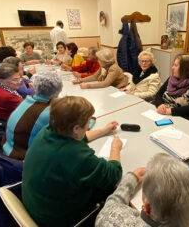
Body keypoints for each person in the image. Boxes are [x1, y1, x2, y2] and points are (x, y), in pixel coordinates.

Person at [22, 96, 123, 226]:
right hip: (56, 219)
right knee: (111, 188)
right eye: (87, 123)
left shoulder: (48, 130)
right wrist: (115, 148)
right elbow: (113, 174)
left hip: (36, 204)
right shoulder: (76, 155)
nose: (88, 127)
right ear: (75, 129)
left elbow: (77, 138)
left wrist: (103, 131)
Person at [2, 70, 119, 160]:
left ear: (34, 86)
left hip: (8, 149)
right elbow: (76, 137)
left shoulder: (26, 101)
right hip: (23, 159)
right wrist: (102, 130)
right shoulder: (51, 113)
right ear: (59, 90)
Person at [96, 153, 189, 227]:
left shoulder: (111, 219)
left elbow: (113, 203)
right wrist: (185, 193)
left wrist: (131, 178)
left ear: (148, 208)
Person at [153, 54, 189, 125]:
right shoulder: (172, 79)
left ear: (186, 69)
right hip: (163, 115)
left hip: (184, 122)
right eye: (173, 65)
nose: (172, 68)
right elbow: (158, 94)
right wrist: (160, 104)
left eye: (175, 65)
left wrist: (170, 111)